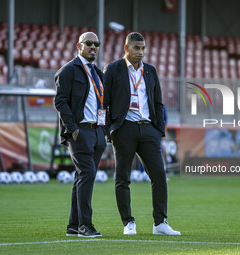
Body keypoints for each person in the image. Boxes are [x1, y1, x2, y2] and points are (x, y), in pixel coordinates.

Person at [103, 32, 180, 235]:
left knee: (159, 176)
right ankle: (128, 223)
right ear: (126, 48)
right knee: (122, 178)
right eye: (137, 48)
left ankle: (160, 223)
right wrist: (110, 130)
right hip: (124, 128)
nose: (141, 52)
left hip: (148, 130)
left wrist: (158, 130)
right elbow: (105, 103)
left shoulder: (151, 71)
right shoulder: (113, 69)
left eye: (143, 48)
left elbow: (158, 102)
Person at [54, 32, 106, 238]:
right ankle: (86, 225)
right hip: (80, 130)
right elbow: (60, 102)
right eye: (89, 43)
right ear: (79, 45)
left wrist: (104, 129)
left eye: (97, 44)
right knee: (86, 175)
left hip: (97, 130)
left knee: (82, 177)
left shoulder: (98, 73)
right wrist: (73, 129)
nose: (93, 47)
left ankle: (74, 226)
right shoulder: (68, 70)